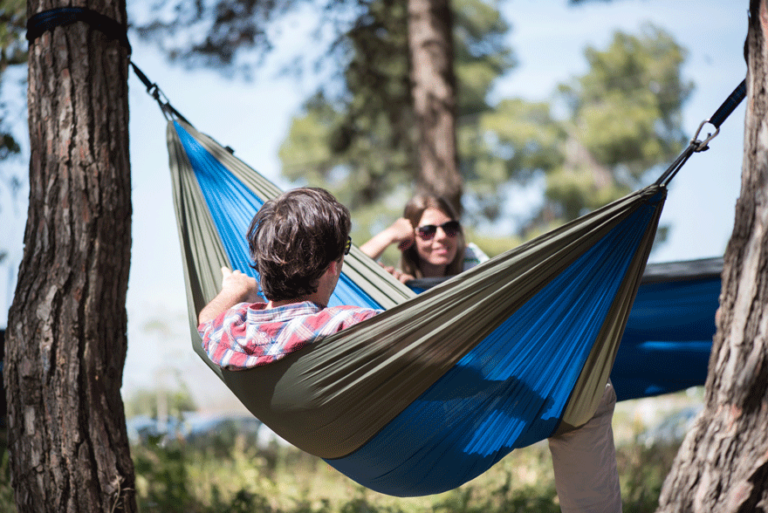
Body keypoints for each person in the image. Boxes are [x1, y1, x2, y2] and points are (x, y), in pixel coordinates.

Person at [198, 186, 621, 512]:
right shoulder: (347, 326)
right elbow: (443, 359)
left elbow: (204, 321)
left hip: (348, 440)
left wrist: (234, 292)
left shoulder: (232, 328)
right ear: (332, 267)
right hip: (412, 446)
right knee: (592, 396)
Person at [360, 194, 488, 283]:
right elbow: (345, 271)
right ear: (411, 240)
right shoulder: (400, 279)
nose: (442, 236)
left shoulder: (471, 258)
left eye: (450, 227)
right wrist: (389, 235)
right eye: (427, 231)